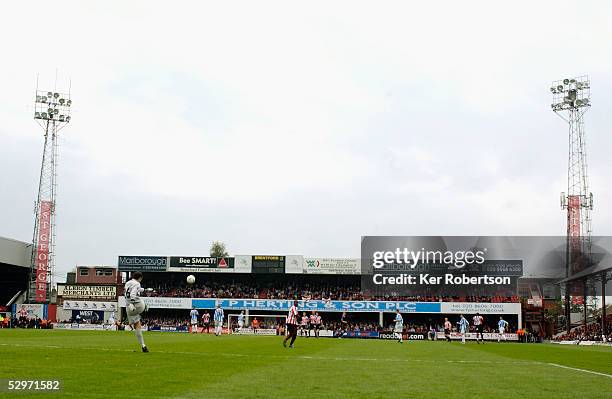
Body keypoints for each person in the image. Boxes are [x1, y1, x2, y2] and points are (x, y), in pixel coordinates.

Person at [124, 271, 149, 352]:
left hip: (129, 308)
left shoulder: (127, 283)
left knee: (137, 325)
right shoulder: (137, 283)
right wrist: (132, 303)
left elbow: (129, 292)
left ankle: (143, 345)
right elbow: (133, 294)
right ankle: (146, 307)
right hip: (137, 305)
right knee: (143, 303)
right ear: (140, 278)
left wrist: (144, 289)